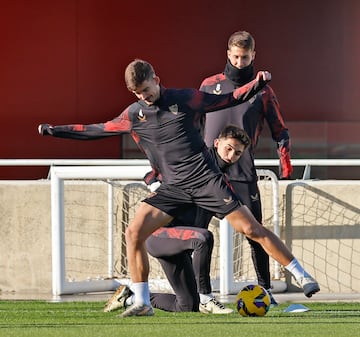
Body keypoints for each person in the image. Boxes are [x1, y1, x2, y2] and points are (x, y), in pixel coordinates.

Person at [38, 59, 319, 318]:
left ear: (156, 80)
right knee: (134, 232)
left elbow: (227, 98)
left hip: (206, 180)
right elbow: (95, 129)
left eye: (147, 90)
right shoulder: (134, 115)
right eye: (138, 94)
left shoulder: (184, 99)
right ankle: (142, 302)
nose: (144, 97)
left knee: (251, 229)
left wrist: (257, 84)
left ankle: (301, 274)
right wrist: (54, 130)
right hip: (173, 188)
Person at [103, 125, 251, 314]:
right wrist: (158, 188)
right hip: (159, 235)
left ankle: (129, 297)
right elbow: (152, 174)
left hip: (182, 244)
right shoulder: (195, 161)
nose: (231, 156)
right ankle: (207, 298)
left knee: (188, 306)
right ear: (216, 143)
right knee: (203, 238)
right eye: (228, 148)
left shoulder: (223, 182)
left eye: (237, 153)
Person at [200, 30, 294, 304]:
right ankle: (202, 295)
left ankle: (265, 291)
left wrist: (286, 169)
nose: (240, 62)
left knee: (256, 233)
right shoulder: (209, 85)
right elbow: (193, 125)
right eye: (236, 57)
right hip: (207, 173)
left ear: (254, 55)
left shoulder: (262, 89)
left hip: (243, 173)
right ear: (228, 54)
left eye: (245, 57)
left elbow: (281, 131)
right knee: (199, 234)